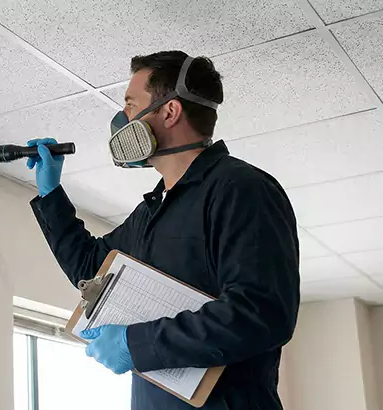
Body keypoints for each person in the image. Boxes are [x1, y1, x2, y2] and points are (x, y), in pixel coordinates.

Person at [27, 51, 300, 410]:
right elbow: (92, 270)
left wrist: (135, 344)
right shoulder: (151, 212)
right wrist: (51, 195)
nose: (123, 119)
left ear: (170, 112)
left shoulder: (241, 189)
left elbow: (261, 313)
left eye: (130, 105)